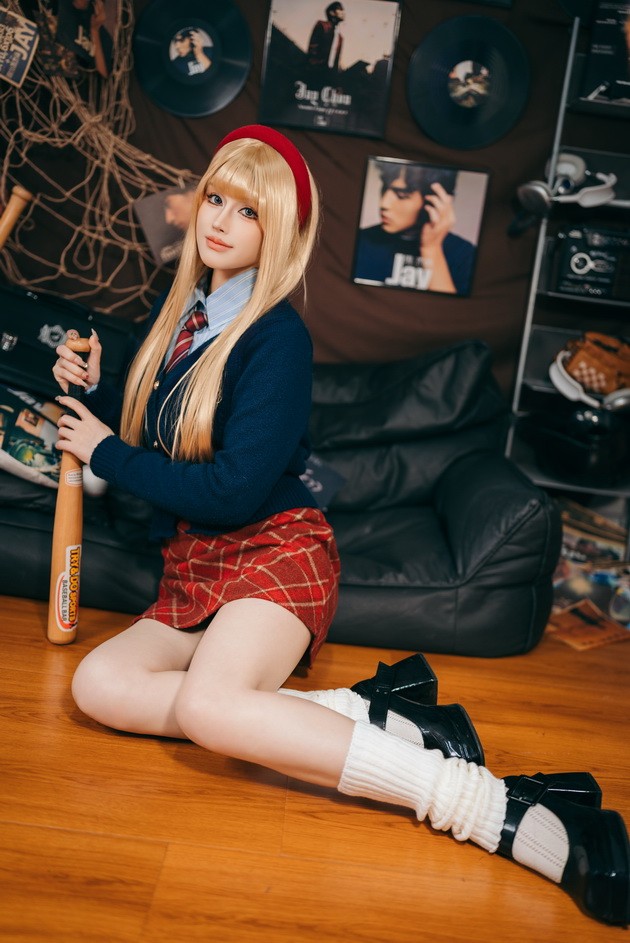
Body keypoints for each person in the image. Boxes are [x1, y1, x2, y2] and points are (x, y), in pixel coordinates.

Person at [52, 125, 629, 928]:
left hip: (274, 548)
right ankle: (377, 713)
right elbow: (160, 425)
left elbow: (231, 490)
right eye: (215, 198)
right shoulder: (180, 311)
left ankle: (495, 806)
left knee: (213, 709)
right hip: (195, 562)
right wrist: (97, 385)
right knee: (98, 685)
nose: (220, 220)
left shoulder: (277, 337)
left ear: (278, 232)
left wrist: (106, 451)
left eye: (248, 211)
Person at [353, 160, 476, 295]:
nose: (384, 203)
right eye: (384, 188)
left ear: (434, 201)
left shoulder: (464, 255)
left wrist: (431, 248)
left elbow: (449, 308)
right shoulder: (360, 240)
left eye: (402, 195)